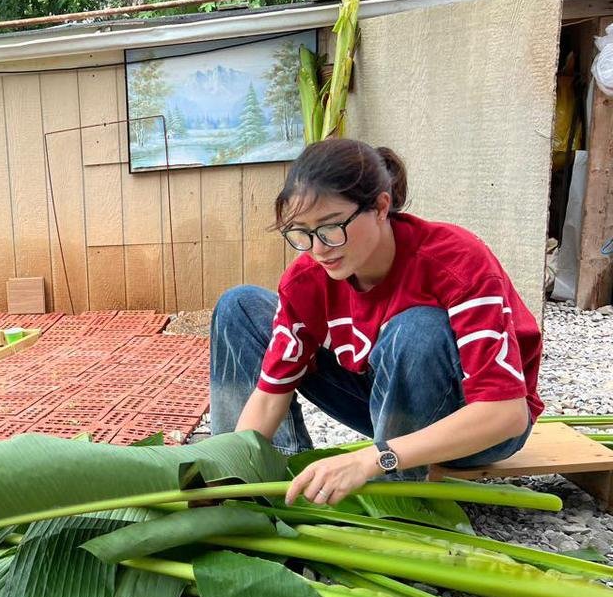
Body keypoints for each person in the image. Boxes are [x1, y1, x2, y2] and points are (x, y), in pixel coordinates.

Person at [208, 138, 542, 506]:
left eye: (332, 226)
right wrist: (230, 476)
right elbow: (272, 395)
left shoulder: (455, 261)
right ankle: (270, 482)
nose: (319, 249)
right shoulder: (308, 278)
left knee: (416, 330)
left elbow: (507, 414)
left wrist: (372, 459)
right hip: (385, 404)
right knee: (239, 306)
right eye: (301, 232)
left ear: (381, 207)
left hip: (474, 426)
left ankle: (399, 502)